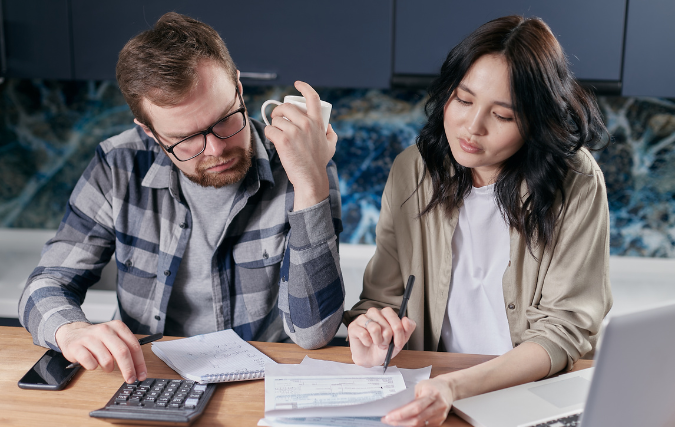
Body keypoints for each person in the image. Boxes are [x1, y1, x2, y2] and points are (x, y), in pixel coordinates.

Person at [19, 12, 345, 385]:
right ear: (150, 132)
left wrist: (310, 182)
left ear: (239, 89)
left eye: (225, 119)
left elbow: (314, 332)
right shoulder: (118, 164)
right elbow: (45, 284)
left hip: (259, 384)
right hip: (149, 378)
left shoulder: (303, 163)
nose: (217, 149)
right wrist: (71, 330)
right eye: (187, 138)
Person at [344, 15, 612, 427]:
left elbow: (563, 331)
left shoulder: (575, 180)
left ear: (535, 122)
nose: (472, 127)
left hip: (532, 396)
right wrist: (371, 334)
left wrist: (457, 386)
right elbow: (381, 299)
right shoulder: (412, 171)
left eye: (503, 116)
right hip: (433, 391)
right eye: (464, 100)